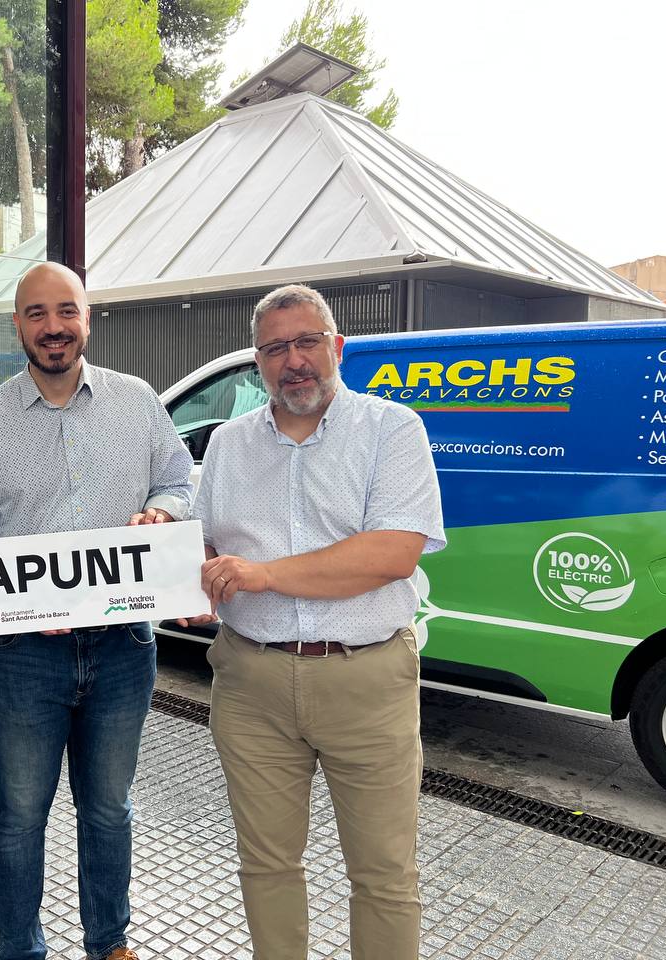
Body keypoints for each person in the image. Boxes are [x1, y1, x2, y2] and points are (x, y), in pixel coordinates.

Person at [0, 262, 194, 960]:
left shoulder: (137, 402)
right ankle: (20, 950)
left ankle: (109, 944)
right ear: (17, 325)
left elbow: (179, 481)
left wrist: (162, 511)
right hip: (22, 656)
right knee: (20, 814)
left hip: (122, 645)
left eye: (66, 311)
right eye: (37, 314)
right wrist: (24, 606)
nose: (53, 327)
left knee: (109, 808)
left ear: (87, 318)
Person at [188, 283, 445, 960]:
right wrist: (180, 573)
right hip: (251, 684)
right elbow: (202, 546)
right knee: (266, 865)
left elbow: (393, 553)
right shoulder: (227, 444)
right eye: (275, 348)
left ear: (338, 346)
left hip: (367, 680)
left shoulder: (392, 429)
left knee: (384, 873)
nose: (293, 360)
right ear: (257, 362)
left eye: (307, 341)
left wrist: (262, 574)